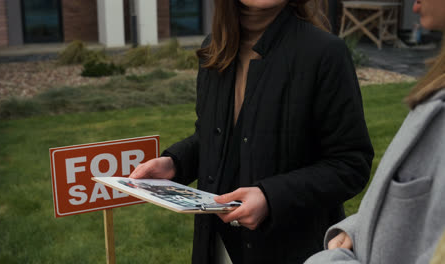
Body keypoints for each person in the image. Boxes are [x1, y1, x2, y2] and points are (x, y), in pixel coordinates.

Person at [130, 0, 374, 263]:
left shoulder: (325, 53)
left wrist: (271, 197)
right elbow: (213, 138)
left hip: (291, 250)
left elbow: (351, 164)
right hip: (215, 245)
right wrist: (175, 163)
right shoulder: (214, 49)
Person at [305, 0, 445, 263]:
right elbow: (419, 220)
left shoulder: (326, 53)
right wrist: (358, 230)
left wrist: (329, 260)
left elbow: (349, 163)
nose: (414, 6)